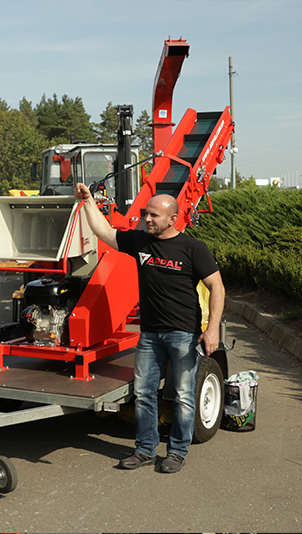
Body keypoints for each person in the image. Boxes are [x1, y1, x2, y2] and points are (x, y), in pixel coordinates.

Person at [73, 183, 225, 474]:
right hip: (150, 333)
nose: (147, 219)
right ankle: (144, 449)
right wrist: (89, 202)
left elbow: (216, 286)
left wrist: (213, 328)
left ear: (172, 219)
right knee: (144, 393)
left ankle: (177, 452)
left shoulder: (193, 248)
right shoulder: (141, 242)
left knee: (182, 394)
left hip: (183, 333)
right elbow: (104, 232)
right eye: (146, 214)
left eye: (154, 215)